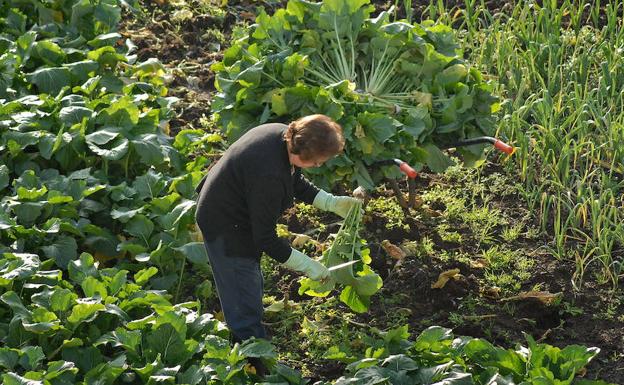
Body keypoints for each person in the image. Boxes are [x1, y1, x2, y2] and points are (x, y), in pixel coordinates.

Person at [194, 114, 360, 375]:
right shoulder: (268, 176)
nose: (318, 165)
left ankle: (250, 343)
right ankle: (254, 362)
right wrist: (307, 265)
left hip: (229, 205)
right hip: (225, 225)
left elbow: (292, 177)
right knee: (242, 290)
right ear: (303, 152)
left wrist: (328, 201)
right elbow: (266, 239)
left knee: (248, 282)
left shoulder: (282, 134)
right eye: (317, 161)